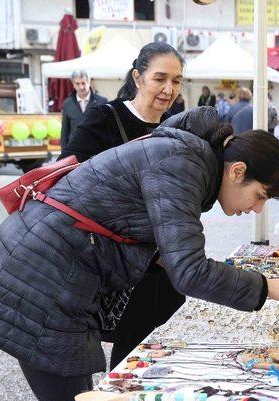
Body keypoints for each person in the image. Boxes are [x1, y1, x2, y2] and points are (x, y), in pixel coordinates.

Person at [0, 107, 279, 401]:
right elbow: (190, 272)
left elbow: (161, 245)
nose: (257, 209)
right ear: (237, 171)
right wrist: (267, 286)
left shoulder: (188, 156)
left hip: (47, 273)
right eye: (260, 196)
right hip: (35, 282)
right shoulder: (182, 164)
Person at [59, 42, 187, 374]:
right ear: (138, 77)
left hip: (165, 264)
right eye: (160, 78)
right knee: (129, 357)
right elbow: (65, 177)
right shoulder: (107, 118)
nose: (168, 89)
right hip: (122, 263)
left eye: (176, 80)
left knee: (160, 349)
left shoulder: (175, 127)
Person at [60, 70, 108, 148]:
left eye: (83, 83)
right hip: (74, 148)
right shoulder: (67, 103)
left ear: (89, 82)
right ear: (73, 84)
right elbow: (65, 131)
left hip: (96, 148)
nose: (81, 87)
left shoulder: (102, 102)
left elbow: (107, 128)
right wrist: (64, 153)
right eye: (77, 84)